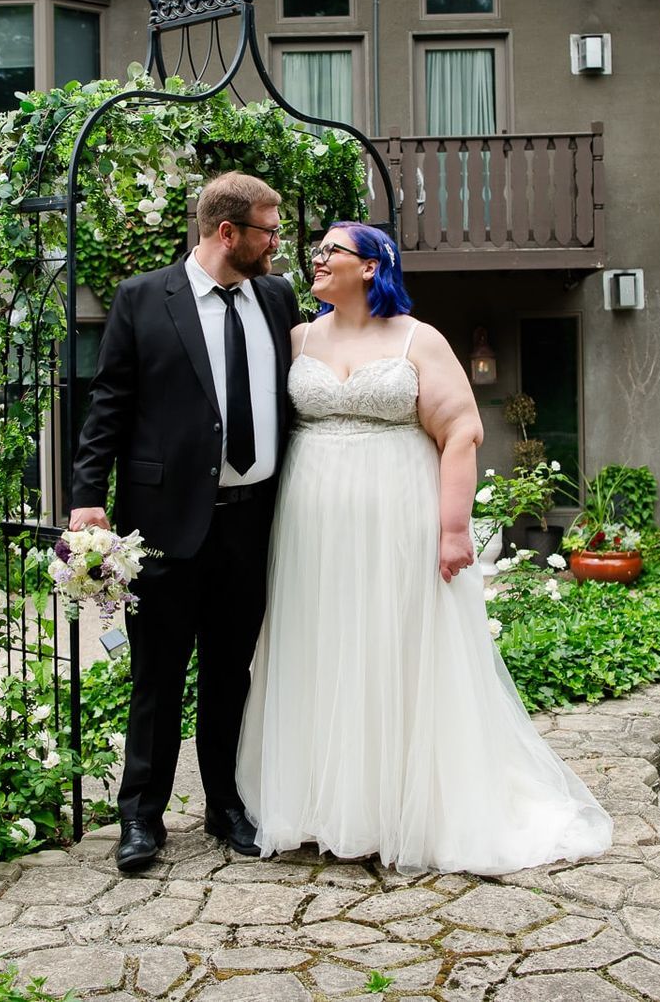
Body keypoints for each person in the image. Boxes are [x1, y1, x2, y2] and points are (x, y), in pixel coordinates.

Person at [236, 221, 614, 874]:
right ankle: (322, 806)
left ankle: (401, 808)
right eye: (317, 251)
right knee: (322, 647)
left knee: (393, 645)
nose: (317, 260)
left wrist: (452, 528)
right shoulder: (297, 337)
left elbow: (462, 431)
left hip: (397, 517)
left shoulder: (419, 339)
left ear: (372, 267)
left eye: (333, 252)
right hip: (311, 528)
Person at [69, 171, 297, 873]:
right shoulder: (143, 297)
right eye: (268, 228)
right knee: (157, 676)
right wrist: (85, 495)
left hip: (252, 523)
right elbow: (110, 402)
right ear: (228, 232)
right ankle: (142, 819)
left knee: (231, 672)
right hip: (163, 525)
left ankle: (225, 806)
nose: (277, 241)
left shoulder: (278, 297)